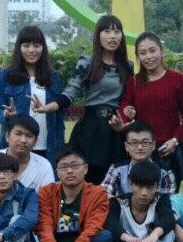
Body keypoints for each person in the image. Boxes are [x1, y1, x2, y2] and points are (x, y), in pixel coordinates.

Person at [34, 14, 132, 184]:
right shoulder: (87, 63)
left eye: (117, 32)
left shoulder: (127, 66)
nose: (113, 36)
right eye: (107, 32)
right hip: (90, 129)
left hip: (115, 130)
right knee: (85, 179)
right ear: (98, 36)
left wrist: (128, 113)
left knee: (115, 179)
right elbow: (70, 92)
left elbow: (129, 98)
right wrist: (48, 107)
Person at [17, 146, 113, 242]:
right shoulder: (46, 192)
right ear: (57, 172)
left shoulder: (98, 193)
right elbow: (44, 225)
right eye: (64, 167)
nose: (69, 171)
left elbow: (93, 227)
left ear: (85, 169)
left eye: (75, 166)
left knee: (105, 237)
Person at [115, 31, 183, 188]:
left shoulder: (177, 79)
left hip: (170, 150)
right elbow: (125, 109)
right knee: (142, 194)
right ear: (138, 57)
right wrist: (124, 117)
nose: (148, 57)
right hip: (143, 151)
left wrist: (176, 140)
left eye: (152, 50)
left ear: (162, 51)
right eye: (143, 53)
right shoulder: (133, 82)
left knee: (169, 196)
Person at [0, 25, 65, 164]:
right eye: (26, 45)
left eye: (36, 46)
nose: (31, 50)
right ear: (19, 48)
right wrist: (6, 115)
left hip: (48, 148)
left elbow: (59, 116)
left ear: (43, 48)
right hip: (16, 148)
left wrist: (60, 147)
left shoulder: (54, 76)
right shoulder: (5, 75)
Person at [0, 115, 54, 190]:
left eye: (29, 136)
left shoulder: (44, 166)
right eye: (18, 134)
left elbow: (48, 196)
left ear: (35, 141)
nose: (23, 140)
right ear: (7, 136)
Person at [101, 122, 176, 198]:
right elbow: (103, 196)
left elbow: (169, 202)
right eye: (134, 143)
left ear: (153, 145)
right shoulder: (117, 170)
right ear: (126, 146)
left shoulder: (165, 173)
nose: (140, 147)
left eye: (145, 142)